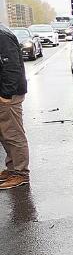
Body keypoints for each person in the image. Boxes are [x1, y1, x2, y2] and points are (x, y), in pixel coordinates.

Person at [0, 23, 30, 189]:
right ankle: (12, 169)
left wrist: (6, 94)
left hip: (9, 95)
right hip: (5, 92)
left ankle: (20, 173)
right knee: (5, 134)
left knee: (13, 133)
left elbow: (12, 67)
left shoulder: (2, 36)